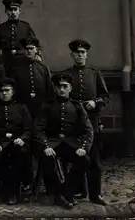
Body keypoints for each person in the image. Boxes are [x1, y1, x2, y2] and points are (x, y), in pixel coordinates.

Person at [34, 73, 93, 210]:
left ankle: (66, 192)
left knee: (84, 160)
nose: (61, 89)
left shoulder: (77, 106)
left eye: (65, 86)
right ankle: (59, 193)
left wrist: (83, 147)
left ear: (70, 88)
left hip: (70, 143)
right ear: (54, 88)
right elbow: (38, 129)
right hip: (52, 143)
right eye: (58, 86)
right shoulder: (47, 106)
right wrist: (46, 146)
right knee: (46, 159)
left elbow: (88, 130)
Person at [63, 39, 109, 205]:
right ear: (72, 55)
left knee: (94, 160)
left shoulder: (94, 73)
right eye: (76, 53)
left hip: (92, 123)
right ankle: (78, 190)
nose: (79, 55)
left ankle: (95, 194)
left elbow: (105, 96)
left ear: (87, 55)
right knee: (77, 158)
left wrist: (95, 103)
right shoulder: (67, 75)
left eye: (82, 52)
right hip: (74, 125)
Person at [0, 78, 33, 205]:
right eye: (1, 91)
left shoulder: (21, 108)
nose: (4, 94)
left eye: (7, 90)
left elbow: (29, 129)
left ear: (13, 92)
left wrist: (22, 139)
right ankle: (1, 191)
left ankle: (14, 192)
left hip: (17, 143)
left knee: (19, 154)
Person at [10, 37, 54, 119]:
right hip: (23, 107)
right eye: (26, 49)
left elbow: (49, 90)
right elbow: (14, 89)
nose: (29, 51)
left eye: (31, 48)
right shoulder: (17, 69)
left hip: (40, 108)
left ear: (36, 50)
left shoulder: (43, 69)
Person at [0, 0, 36, 75]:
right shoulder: (1, 28)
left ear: (19, 11)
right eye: (10, 10)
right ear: (6, 11)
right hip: (6, 64)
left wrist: (37, 55)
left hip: (23, 63)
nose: (13, 12)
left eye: (15, 9)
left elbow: (34, 44)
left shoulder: (26, 27)